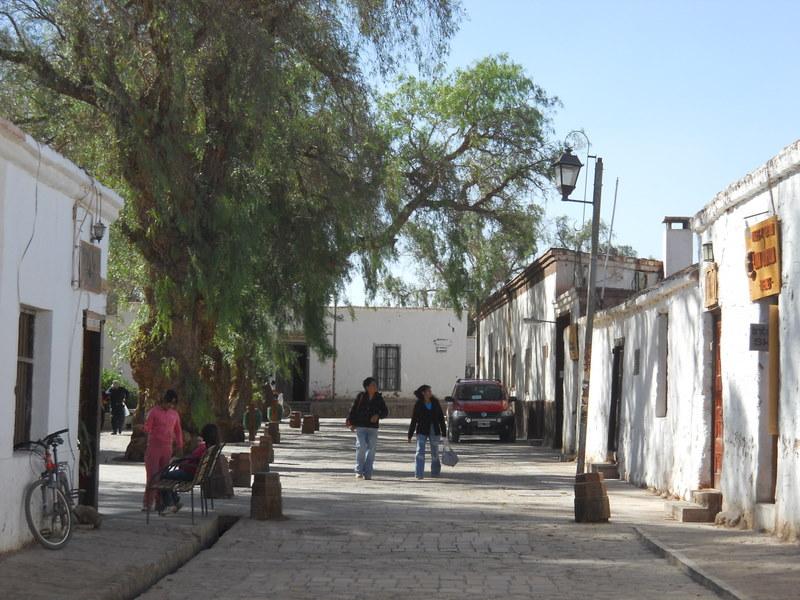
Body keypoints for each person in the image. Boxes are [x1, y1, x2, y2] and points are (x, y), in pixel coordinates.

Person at [156, 423, 219, 515]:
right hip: (197, 474)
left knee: (162, 475)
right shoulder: (211, 448)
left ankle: (170, 504)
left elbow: (192, 458)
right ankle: (175, 501)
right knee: (167, 474)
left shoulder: (203, 448)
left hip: (189, 473)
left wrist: (178, 461)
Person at [142, 389, 184, 512]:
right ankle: (147, 503)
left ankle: (161, 502)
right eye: (169, 403)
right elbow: (147, 428)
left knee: (163, 476)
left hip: (167, 448)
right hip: (154, 448)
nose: (170, 406)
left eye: (173, 404)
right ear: (164, 401)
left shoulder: (174, 414)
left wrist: (180, 445)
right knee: (152, 476)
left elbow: (178, 431)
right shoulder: (154, 412)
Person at [347, 376, 389, 480]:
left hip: (373, 428)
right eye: (373, 385)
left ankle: (368, 472)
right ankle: (359, 471)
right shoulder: (360, 397)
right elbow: (353, 410)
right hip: (361, 427)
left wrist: (378, 415)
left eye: (376, 385)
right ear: (367, 387)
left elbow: (385, 412)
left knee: (371, 450)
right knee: (361, 447)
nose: (375, 387)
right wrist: (351, 422)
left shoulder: (379, 398)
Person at [407, 384, 447, 479]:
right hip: (422, 429)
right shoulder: (418, 404)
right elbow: (414, 420)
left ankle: (435, 473)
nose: (430, 392)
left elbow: (441, 418)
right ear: (423, 393)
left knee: (435, 452)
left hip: (434, 429)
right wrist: (410, 434)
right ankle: (419, 473)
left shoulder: (435, 403)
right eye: (428, 391)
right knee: (420, 451)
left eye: (430, 391)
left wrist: (444, 432)